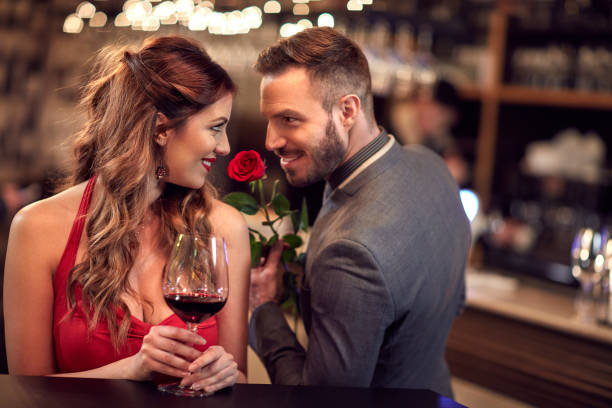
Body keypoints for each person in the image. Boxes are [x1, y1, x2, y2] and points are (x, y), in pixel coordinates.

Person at [3, 36, 250, 394]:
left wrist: (227, 375)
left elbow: (240, 380)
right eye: (215, 127)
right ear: (162, 129)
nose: (225, 146)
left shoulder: (225, 227)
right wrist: (130, 369)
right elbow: (21, 390)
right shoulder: (37, 228)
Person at [248, 27, 471, 398]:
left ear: (347, 110)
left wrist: (263, 309)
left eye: (289, 119)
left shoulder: (350, 251)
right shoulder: (432, 165)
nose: (271, 141)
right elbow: (455, 300)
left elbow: (322, 401)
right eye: (270, 119)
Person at [389, 78, 469, 185]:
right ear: (423, 101)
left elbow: (450, 151)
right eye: (440, 114)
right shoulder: (391, 133)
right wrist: (439, 173)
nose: (440, 124)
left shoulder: (433, 135)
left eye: (445, 122)